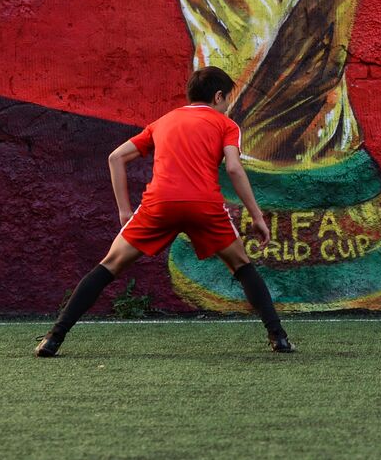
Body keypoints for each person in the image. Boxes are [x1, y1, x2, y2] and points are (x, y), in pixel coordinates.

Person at [35, 67, 293, 356]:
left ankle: (53, 339)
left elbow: (116, 157)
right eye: (226, 100)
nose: (226, 106)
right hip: (204, 206)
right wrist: (257, 216)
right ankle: (278, 338)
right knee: (242, 266)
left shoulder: (163, 121)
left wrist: (124, 212)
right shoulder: (226, 125)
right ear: (218, 96)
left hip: (160, 205)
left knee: (109, 265)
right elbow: (233, 167)